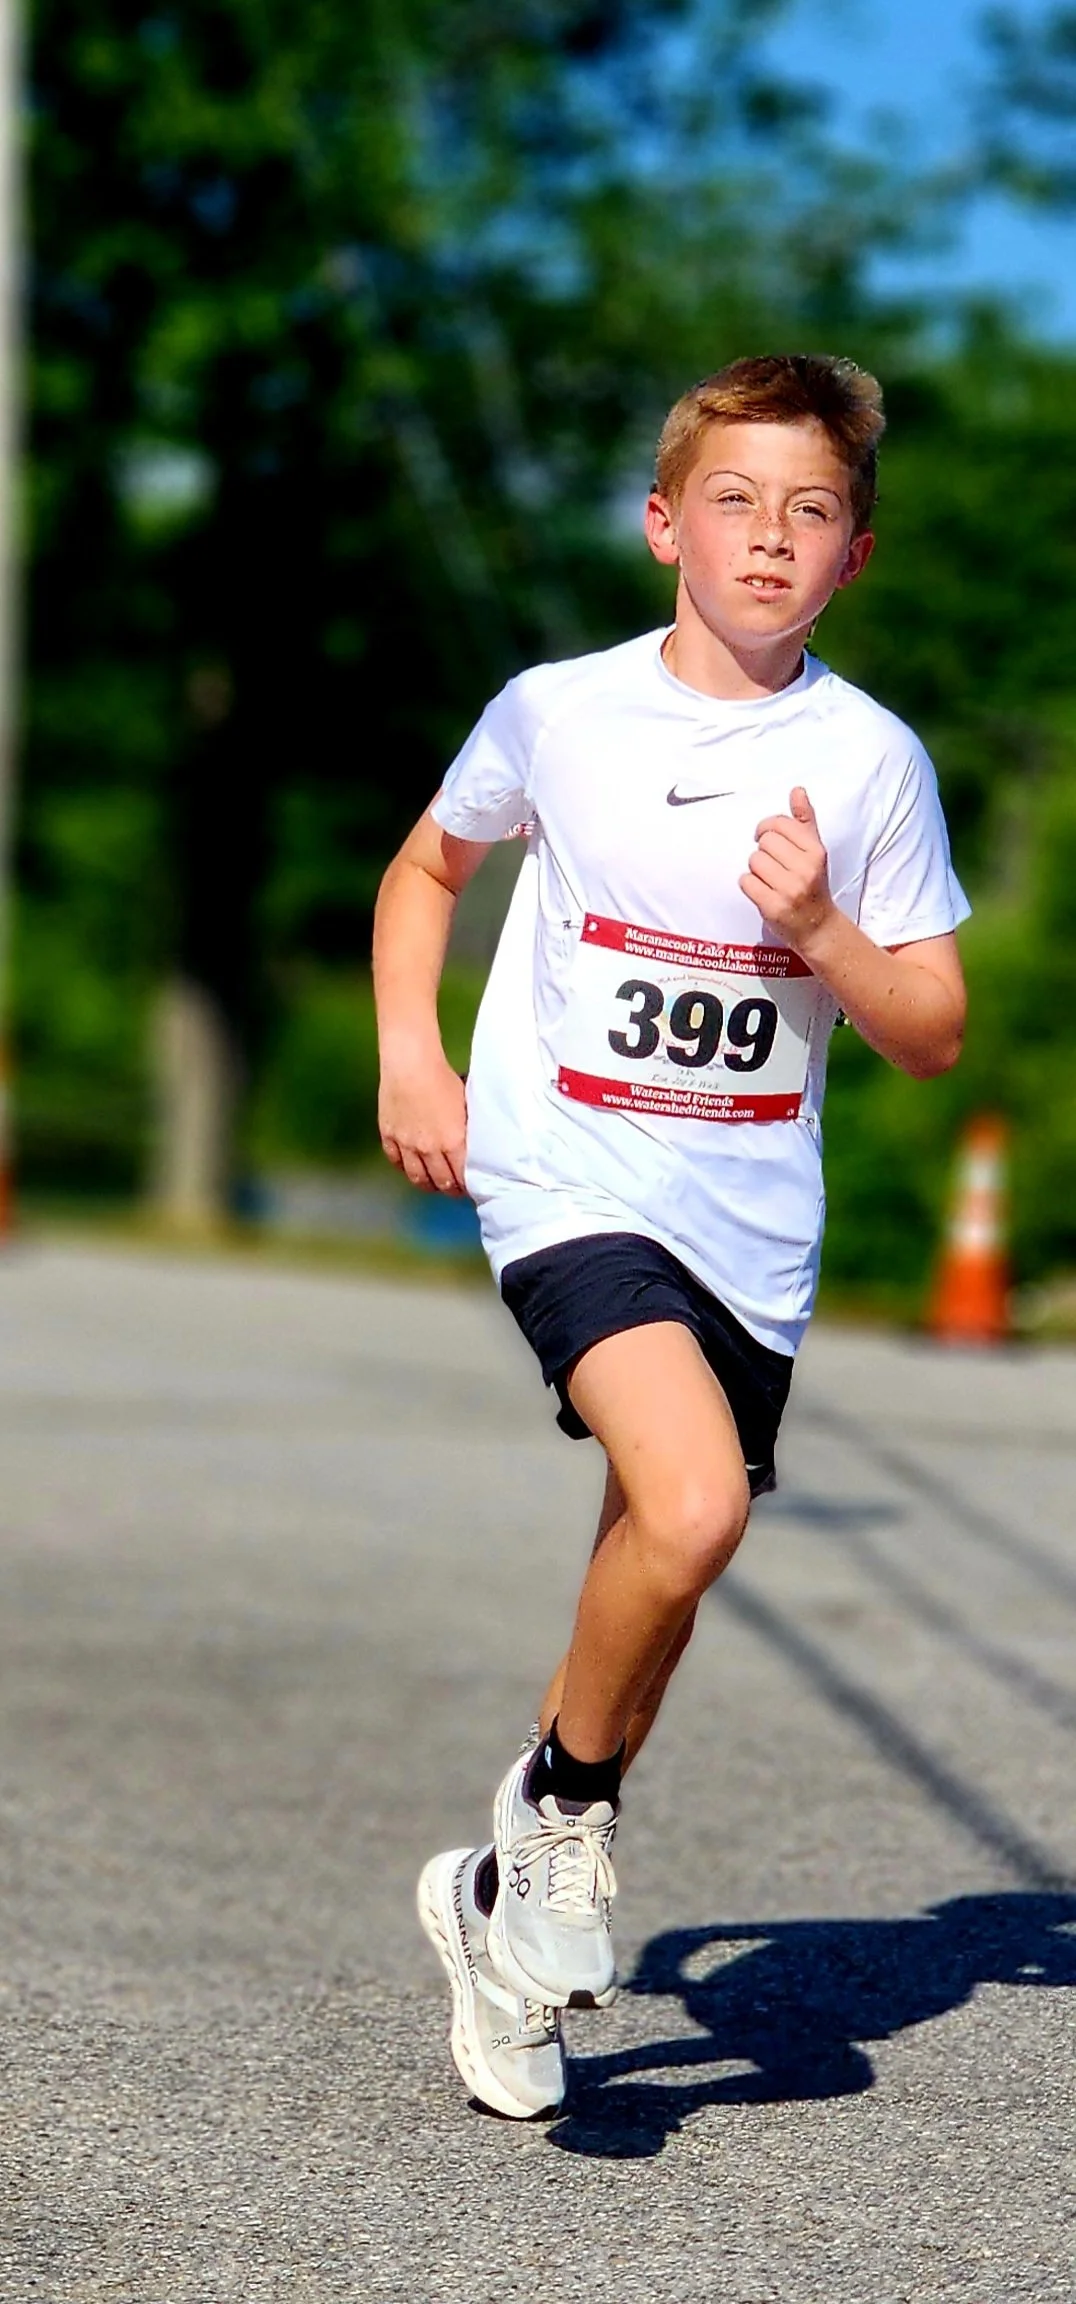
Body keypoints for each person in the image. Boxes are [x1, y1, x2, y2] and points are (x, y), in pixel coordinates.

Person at [373, 353, 969, 2121]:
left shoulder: (869, 762)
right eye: (737, 501)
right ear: (662, 526)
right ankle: (559, 1814)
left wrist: (821, 930)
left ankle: (500, 1919)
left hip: (751, 1228)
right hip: (566, 1178)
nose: (771, 537)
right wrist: (415, 1047)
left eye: (812, 512)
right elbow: (428, 869)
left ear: (854, 558)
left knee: (660, 1560)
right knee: (696, 1506)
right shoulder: (560, 711)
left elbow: (928, 1026)